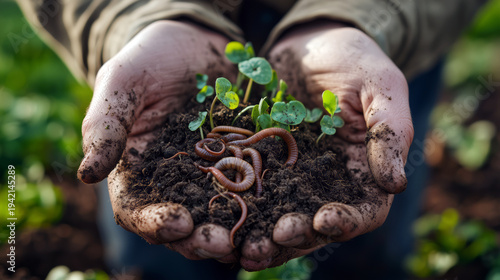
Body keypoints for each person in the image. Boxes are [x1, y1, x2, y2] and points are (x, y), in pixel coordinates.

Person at [17, 0, 485, 279]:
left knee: (366, 251)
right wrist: (134, 17)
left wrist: (368, 18)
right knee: (159, 255)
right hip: (167, 36)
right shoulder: (221, 146)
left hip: (383, 45)